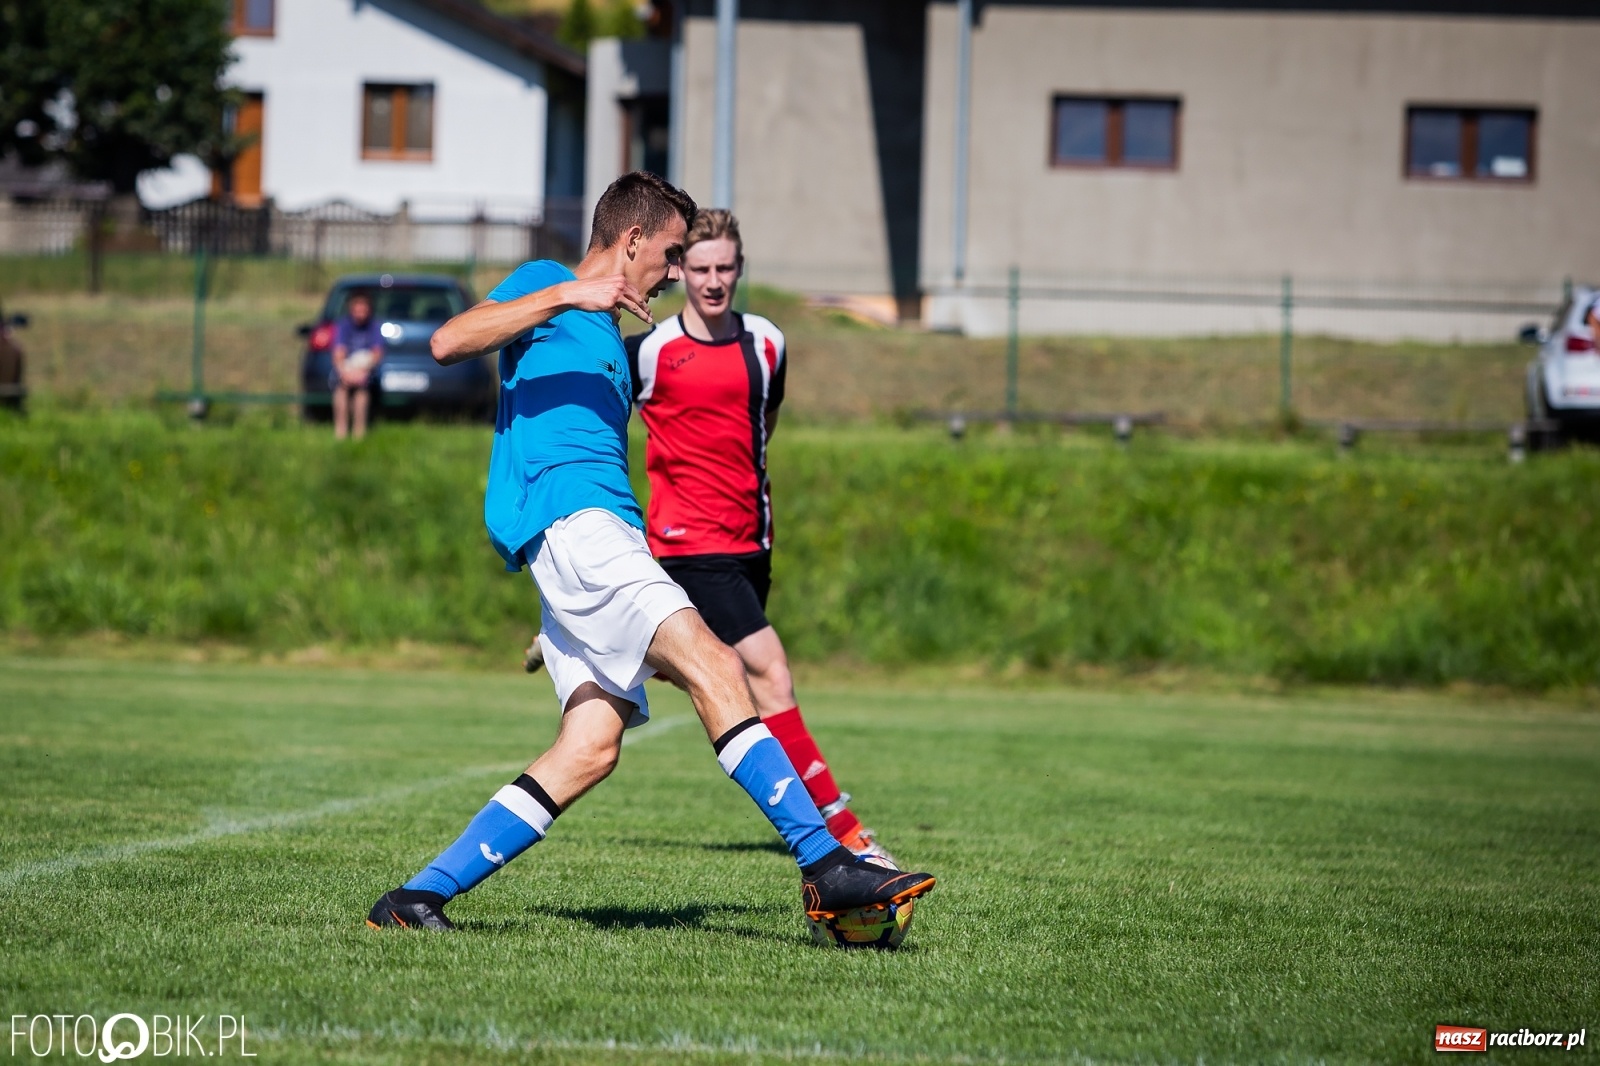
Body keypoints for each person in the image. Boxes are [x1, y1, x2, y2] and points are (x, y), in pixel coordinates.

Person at [365, 172, 935, 932]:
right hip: (579, 524)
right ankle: (827, 863)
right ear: (631, 241)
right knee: (718, 663)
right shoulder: (550, 284)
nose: (675, 272)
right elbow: (447, 341)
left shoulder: (612, 333)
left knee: (591, 747)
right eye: (670, 255)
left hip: (598, 538)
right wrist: (569, 294)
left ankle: (413, 899)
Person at [529, 209, 898, 865]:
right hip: (685, 540)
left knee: (706, 669)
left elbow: (765, 424)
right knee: (769, 671)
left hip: (751, 540)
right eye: (698, 268)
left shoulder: (767, 343)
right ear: (680, 271)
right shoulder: (651, 348)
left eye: (724, 267)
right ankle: (842, 834)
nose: (712, 280)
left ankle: (575, 631)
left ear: (740, 269)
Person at [331, 291, 383, 440]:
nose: (360, 314)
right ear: (351, 309)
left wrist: (362, 371)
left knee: (362, 392)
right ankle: (341, 432)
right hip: (347, 369)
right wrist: (344, 372)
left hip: (364, 370)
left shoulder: (374, 326)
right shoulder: (344, 326)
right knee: (341, 390)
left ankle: (359, 433)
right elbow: (338, 353)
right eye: (357, 310)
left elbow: (377, 353)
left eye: (364, 310)